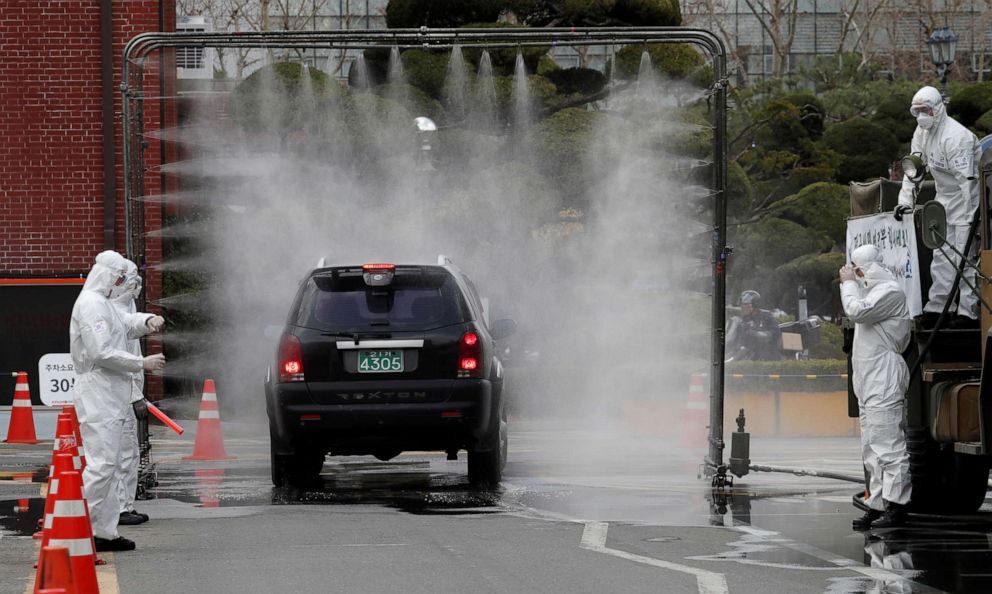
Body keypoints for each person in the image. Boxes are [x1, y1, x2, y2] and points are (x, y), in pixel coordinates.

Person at [70, 251, 165, 551]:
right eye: (121, 277)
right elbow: (101, 352)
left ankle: (103, 532)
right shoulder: (90, 305)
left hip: (109, 394)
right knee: (102, 465)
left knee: (108, 466)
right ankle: (74, 526)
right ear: (110, 275)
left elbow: (123, 322)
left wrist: (146, 320)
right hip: (99, 392)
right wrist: (142, 363)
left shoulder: (101, 304)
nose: (123, 283)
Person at [895, 85, 982, 329]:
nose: (921, 115)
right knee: (941, 258)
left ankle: (968, 313)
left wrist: (973, 217)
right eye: (917, 111)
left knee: (965, 260)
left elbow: (968, 182)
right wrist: (905, 202)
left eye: (926, 110)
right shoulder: (921, 133)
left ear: (938, 109)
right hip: (943, 202)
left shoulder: (956, 138)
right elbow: (914, 170)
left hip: (966, 204)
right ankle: (938, 308)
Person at [840, 244, 912, 530]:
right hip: (869, 380)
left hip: (883, 378)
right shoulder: (872, 291)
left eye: (855, 270)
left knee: (888, 445)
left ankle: (897, 505)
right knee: (871, 447)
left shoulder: (889, 292)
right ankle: (878, 503)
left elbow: (856, 311)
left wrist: (847, 285)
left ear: (861, 269)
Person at [111, 259, 151, 527]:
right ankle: (120, 509)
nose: (137, 285)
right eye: (133, 279)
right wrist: (136, 395)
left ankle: (124, 505)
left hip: (126, 393)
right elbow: (118, 362)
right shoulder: (113, 310)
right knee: (122, 453)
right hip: (120, 396)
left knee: (128, 453)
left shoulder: (127, 306)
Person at [727, 290, 782, 361]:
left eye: (746, 304)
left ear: (755, 305)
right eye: (742, 304)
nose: (743, 307)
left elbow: (775, 333)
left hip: (766, 355)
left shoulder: (766, 316)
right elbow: (735, 340)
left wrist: (757, 334)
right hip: (747, 355)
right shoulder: (742, 320)